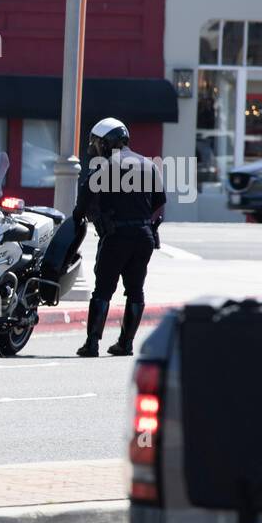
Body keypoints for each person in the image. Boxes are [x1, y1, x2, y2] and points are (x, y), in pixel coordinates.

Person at [72, 117, 166, 357]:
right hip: (144, 236)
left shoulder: (104, 167)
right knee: (136, 289)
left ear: (107, 142)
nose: (96, 148)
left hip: (116, 236)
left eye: (98, 143)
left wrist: (81, 217)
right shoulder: (149, 164)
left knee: (103, 290)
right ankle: (126, 343)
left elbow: (82, 204)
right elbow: (159, 202)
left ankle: (92, 343)